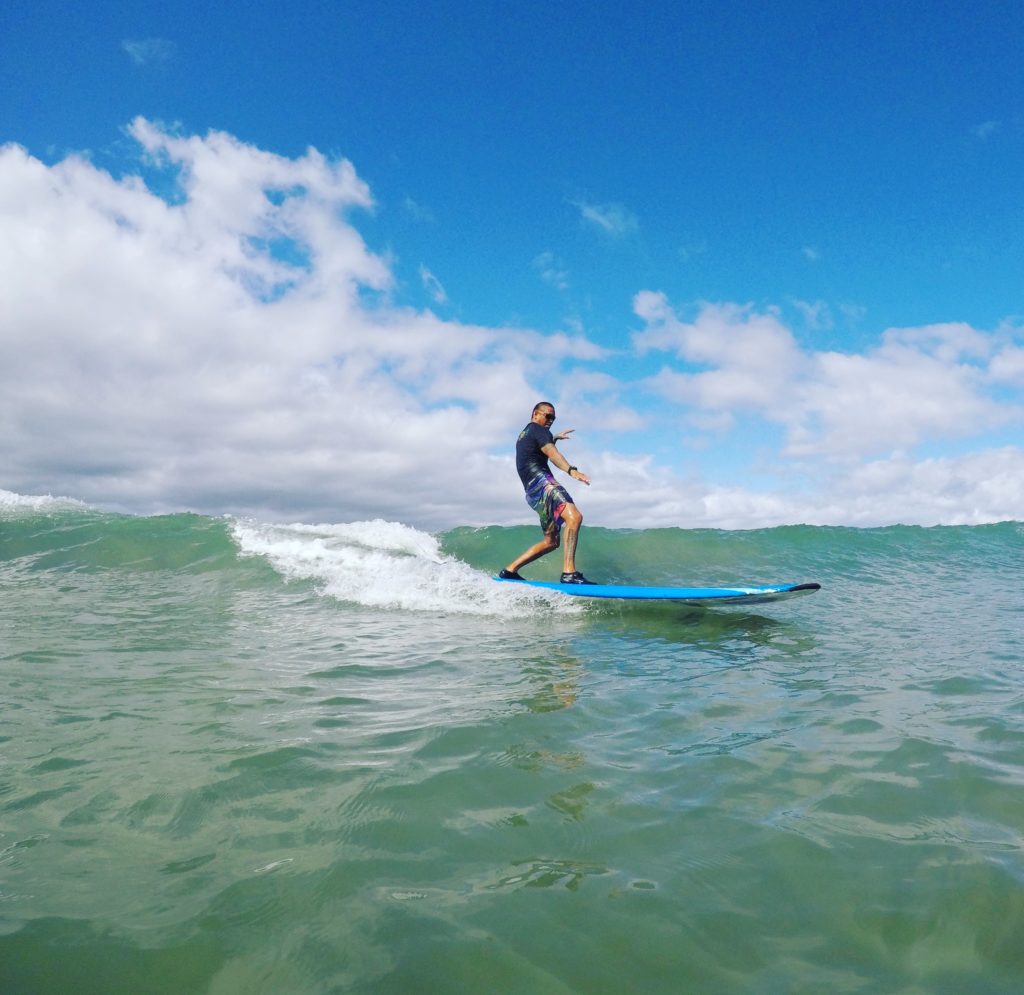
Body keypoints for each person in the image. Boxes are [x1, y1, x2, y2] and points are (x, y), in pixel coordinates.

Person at [499, 401, 595, 584]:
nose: (551, 420)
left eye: (554, 418)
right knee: (574, 517)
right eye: (547, 416)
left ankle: (510, 570)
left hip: (532, 492)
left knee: (551, 541)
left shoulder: (525, 433)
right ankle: (569, 573)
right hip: (543, 482)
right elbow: (553, 454)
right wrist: (571, 470)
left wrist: (554, 437)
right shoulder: (540, 430)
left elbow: (536, 448)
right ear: (535, 414)